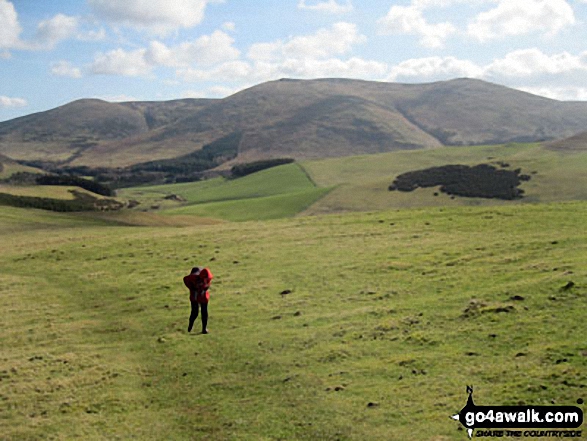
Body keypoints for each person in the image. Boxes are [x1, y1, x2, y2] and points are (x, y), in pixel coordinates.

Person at [183, 266, 213, 334]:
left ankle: (204, 329)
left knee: (204, 312)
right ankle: (190, 325)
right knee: (195, 312)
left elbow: (207, 286)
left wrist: (204, 289)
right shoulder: (193, 277)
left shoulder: (208, 277)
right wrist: (192, 288)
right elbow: (185, 279)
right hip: (195, 295)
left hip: (203, 295)